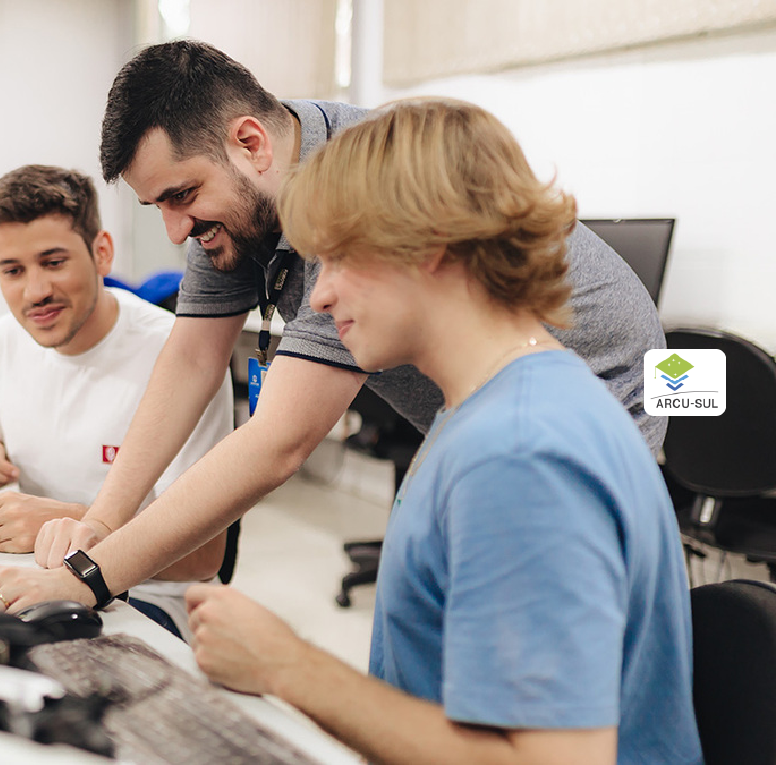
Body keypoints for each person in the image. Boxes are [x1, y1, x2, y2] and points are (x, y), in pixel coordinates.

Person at [0, 40, 664, 619]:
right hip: (467, 417)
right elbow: (192, 358)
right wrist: (98, 525)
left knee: (516, 612)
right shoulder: (235, 206)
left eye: (181, 197)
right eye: (158, 204)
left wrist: (88, 576)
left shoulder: (362, 201)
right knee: (435, 611)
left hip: (597, 394)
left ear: (250, 142)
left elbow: (279, 439)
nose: (175, 229)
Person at [184, 97, 700, 764]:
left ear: (432, 246)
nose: (318, 296)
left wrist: (289, 666)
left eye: (339, 259)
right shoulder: (486, 408)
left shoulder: (521, 452)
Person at [0, 164, 234, 637]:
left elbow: (205, 557)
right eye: (13, 270)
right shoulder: (1, 340)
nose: (36, 291)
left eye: (54, 262)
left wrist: (74, 525)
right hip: (34, 573)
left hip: (146, 598)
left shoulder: (182, 356)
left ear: (101, 252)